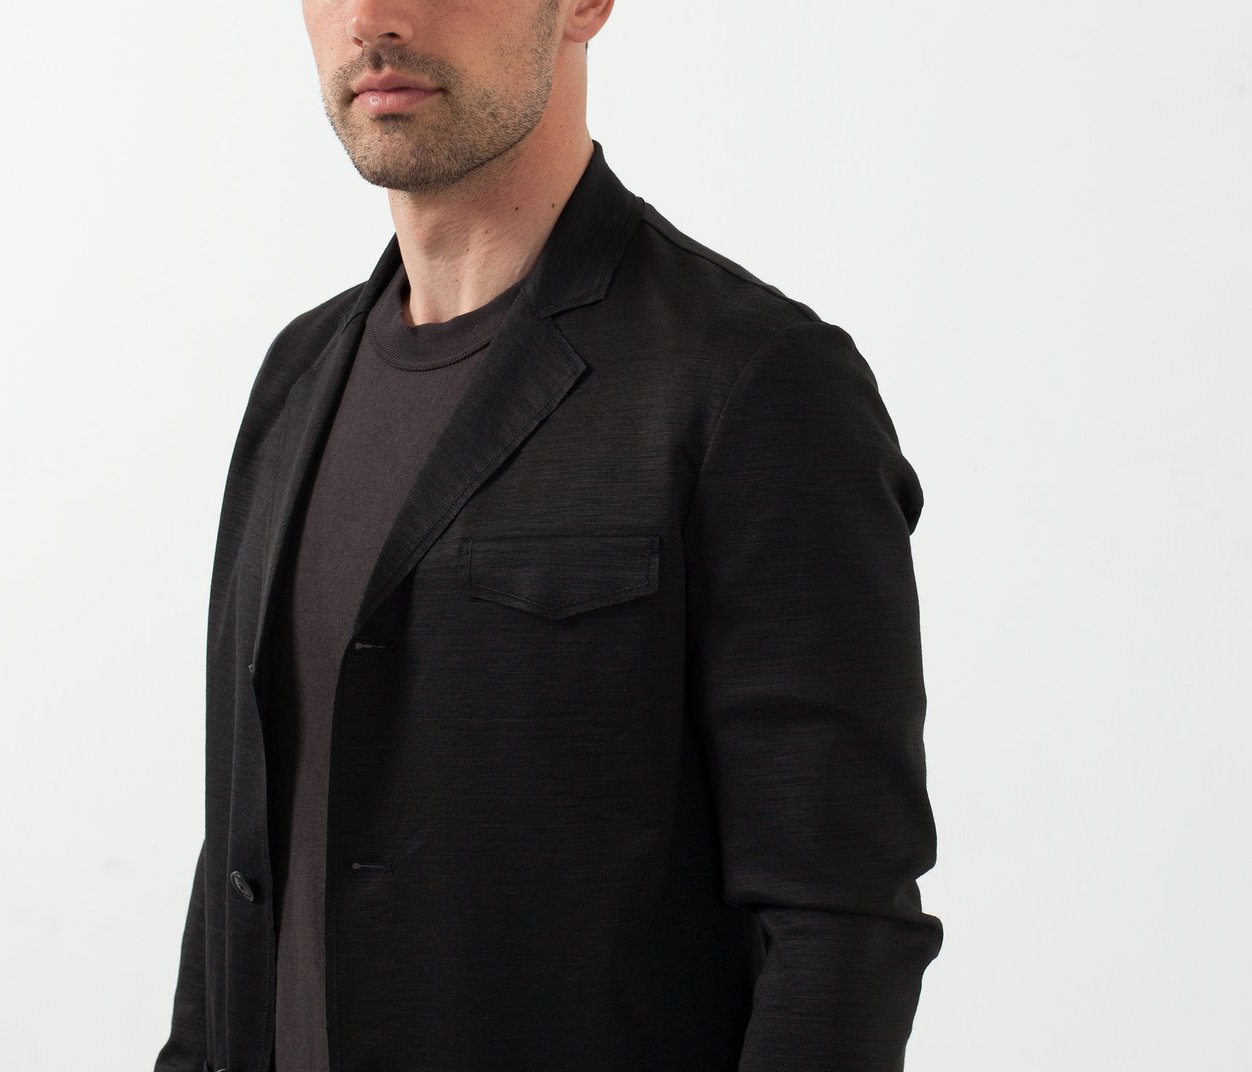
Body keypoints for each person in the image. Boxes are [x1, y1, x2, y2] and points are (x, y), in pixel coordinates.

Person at [153, 0, 944, 1070]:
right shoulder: (297, 377)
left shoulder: (749, 382)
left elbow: (839, 925)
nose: (373, 19)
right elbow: (242, 860)